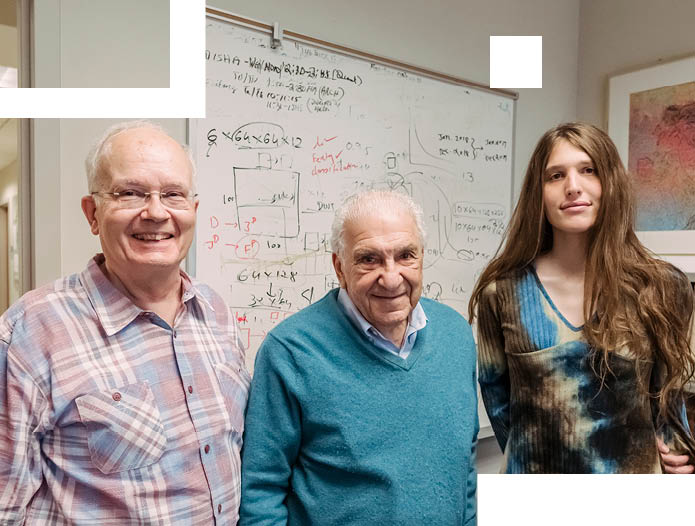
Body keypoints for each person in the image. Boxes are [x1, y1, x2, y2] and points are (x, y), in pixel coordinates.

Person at [0, 121, 250, 524]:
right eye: (130, 193)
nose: (155, 212)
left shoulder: (216, 313)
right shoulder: (31, 332)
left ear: (193, 211)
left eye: (173, 194)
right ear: (93, 213)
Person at [239, 190, 478, 525]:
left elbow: (464, 468)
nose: (392, 277)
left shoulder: (456, 336)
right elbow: (261, 493)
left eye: (406, 255)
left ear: (422, 256)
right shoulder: (290, 351)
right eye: (369, 259)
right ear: (339, 267)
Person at [468, 122, 695, 473]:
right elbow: (500, 407)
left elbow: (669, 399)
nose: (573, 187)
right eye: (555, 176)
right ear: (538, 193)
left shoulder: (662, 287)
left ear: (611, 183)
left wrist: (681, 459)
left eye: (588, 170)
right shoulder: (502, 292)